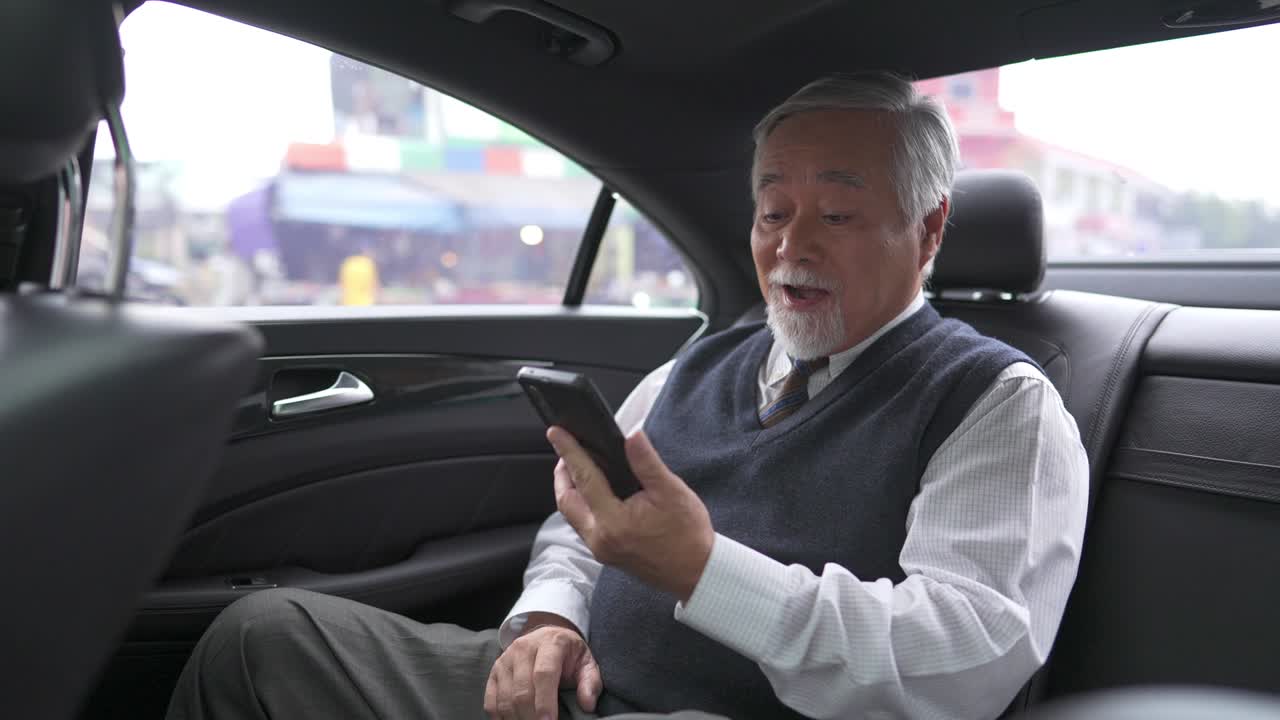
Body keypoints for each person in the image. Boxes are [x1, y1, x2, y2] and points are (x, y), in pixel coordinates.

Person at [165, 71, 1087, 720]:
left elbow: (965, 657)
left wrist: (702, 570)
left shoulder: (992, 403)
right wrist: (550, 620)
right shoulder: (696, 368)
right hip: (578, 690)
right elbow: (582, 529)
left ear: (928, 232)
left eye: (837, 214)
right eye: (772, 211)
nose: (790, 244)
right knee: (260, 637)